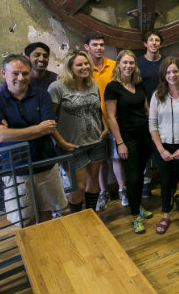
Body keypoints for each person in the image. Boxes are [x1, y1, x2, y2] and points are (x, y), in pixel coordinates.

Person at [0, 54, 66, 226]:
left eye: (25, 73)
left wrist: (12, 131)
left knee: (47, 214)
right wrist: (39, 128)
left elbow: (50, 127)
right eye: (15, 73)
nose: (20, 78)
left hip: (45, 163)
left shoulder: (41, 95)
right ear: (3, 73)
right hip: (16, 168)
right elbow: (0, 135)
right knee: (24, 220)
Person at [48, 51, 109, 213]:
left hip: (96, 140)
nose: (85, 67)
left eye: (86, 63)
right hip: (72, 144)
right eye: (79, 64)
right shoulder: (57, 87)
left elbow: (98, 109)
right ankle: (77, 218)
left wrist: (106, 127)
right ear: (70, 67)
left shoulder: (92, 84)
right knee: (79, 186)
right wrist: (61, 142)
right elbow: (49, 119)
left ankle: (91, 214)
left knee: (93, 181)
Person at [105, 50, 154, 234]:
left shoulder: (138, 84)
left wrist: (152, 131)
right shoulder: (113, 87)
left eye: (131, 63)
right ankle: (135, 216)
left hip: (143, 135)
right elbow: (111, 118)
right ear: (118, 64)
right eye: (125, 62)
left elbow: (147, 109)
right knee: (132, 177)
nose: (128, 66)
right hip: (127, 138)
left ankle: (138, 204)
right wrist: (120, 143)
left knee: (140, 175)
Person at [149, 57, 179, 235]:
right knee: (165, 182)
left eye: (175, 71)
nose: (172, 75)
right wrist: (161, 149)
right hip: (163, 146)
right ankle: (165, 214)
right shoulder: (157, 96)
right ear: (164, 74)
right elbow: (152, 124)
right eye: (168, 72)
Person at [83, 33, 127, 211]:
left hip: (114, 118)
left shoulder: (113, 65)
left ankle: (122, 189)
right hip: (94, 121)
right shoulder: (84, 68)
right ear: (87, 47)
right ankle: (103, 192)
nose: (99, 48)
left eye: (101, 45)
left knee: (117, 157)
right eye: (95, 45)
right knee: (99, 160)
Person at [137, 31, 165, 198]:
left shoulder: (165, 62)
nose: (154, 43)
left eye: (157, 40)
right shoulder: (138, 63)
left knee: (163, 146)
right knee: (145, 149)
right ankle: (146, 182)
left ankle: (165, 179)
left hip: (164, 112)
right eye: (151, 40)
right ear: (145, 44)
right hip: (145, 112)